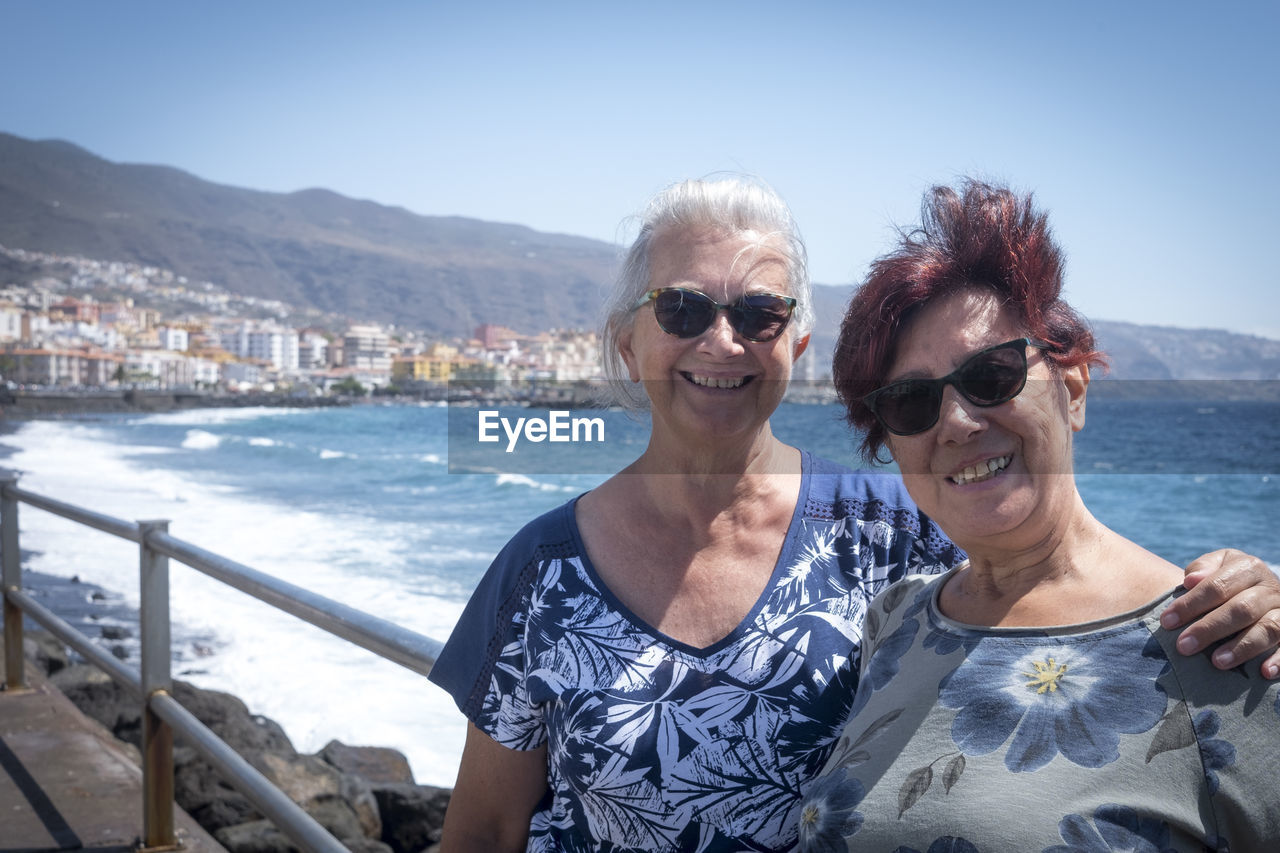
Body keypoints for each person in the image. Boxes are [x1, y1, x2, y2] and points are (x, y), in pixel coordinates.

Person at [428, 177, 1280, 853]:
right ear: (628, 344)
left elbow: (1066, 588)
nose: (723, 341)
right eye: (683, 309)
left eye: (759, 313)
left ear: (793, 347)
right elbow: (481, 834)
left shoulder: (894, 529)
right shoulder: (543, 571)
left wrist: (1248, 590)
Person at [800, 179, 1280, 852]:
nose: (960, 422)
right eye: (912, 401)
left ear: (1073, 387)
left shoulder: (1221, 645)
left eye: (992, 375)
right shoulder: (898, 624)